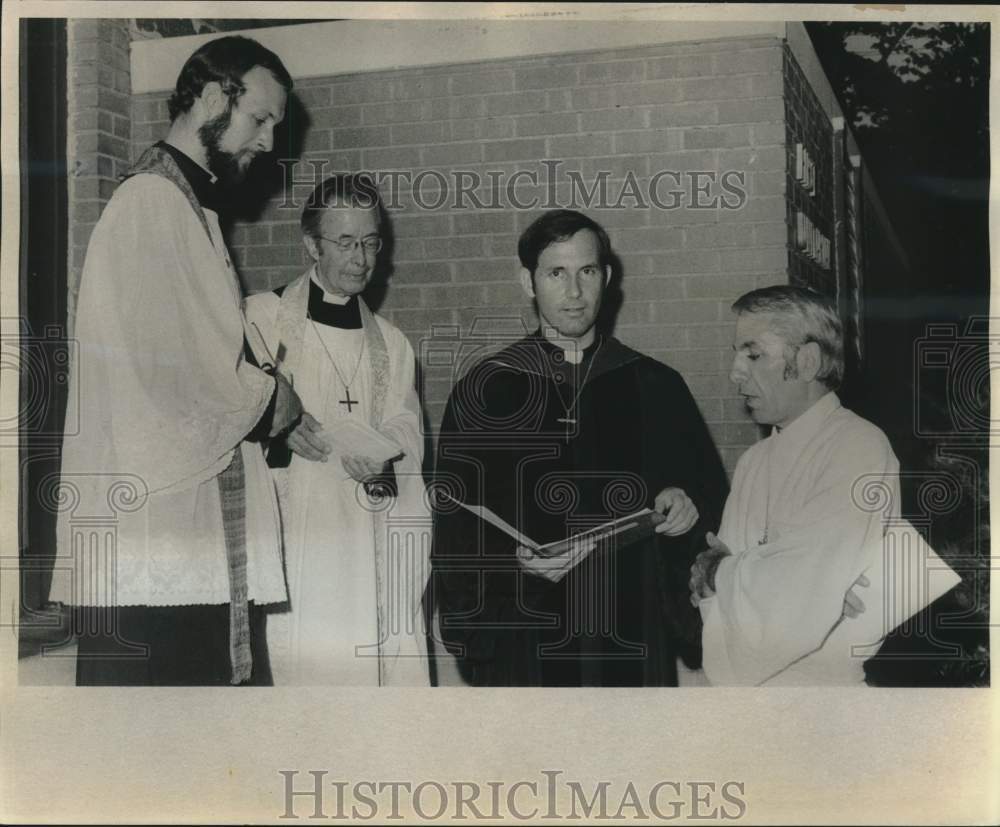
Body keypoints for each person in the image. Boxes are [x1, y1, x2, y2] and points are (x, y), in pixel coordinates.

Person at [52, 36, 303, 685]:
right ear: (215, 97)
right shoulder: (152, 205)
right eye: (261, 119)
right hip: (157, 549)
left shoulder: (188, 208)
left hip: (183, 541)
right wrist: (274, 396)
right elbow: (186, 382)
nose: (270, 141)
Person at [431, 209, 729, 686]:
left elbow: (707, 500)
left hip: (631, 628)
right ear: (528, 282)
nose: (574, 292)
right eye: (556, 273)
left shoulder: (655, 386)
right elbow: (456, 520)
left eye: (586, 272)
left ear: (606, 277)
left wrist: (684, 510)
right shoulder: (487, 391)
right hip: (527, 631)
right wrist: (512, 572)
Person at [690, 285, 959, 685]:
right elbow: (715, 605)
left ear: (808, 360)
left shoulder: (857, 445)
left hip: (822, 697)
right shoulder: (754, 460)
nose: (735, 371)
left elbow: (797, 597)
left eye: (753, 353)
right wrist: (728, 578)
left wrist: (717, 572)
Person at [244, 174, 431, 685]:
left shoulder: (392, 344)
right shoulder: (261, 319)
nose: (361, 258)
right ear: (310, 244)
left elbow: (407, 428)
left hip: (365, 536)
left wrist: (389, 457)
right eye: (345, 242)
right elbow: (229, 415)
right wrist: (275, 428)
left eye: (371, 242)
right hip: (294, 534)